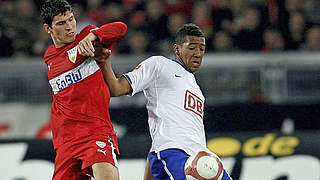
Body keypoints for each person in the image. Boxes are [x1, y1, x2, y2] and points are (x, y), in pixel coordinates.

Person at [98, 23, 232, 180]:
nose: (197, 54)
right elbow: (116, 88)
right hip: (174, 153)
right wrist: (105, 60)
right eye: (192, 48)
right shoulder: (159, 65)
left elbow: (162, 136)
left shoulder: (196, 88)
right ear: (177, 49)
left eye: (201, 49)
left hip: (201, 156)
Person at [40, 0, 127, 179]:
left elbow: (120, 27)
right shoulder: (49, 57)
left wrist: (94, 36)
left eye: (71, 20)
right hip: (65, 141)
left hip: (95, 131)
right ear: (48, 29)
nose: (70, 27)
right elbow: (66, 70)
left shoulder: (87, 37)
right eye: (61, 23)